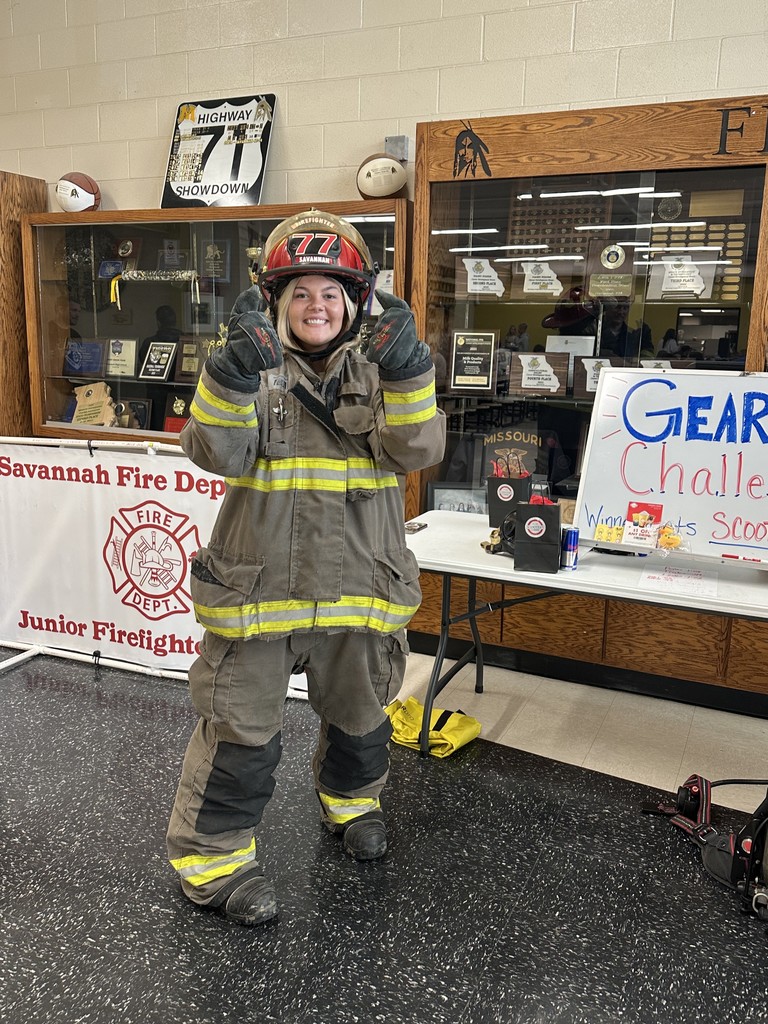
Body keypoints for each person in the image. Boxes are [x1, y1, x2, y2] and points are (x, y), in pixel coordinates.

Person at [166, 210, 446, 926]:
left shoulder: (389, 362)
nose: (315, 306)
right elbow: (213, 453)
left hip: (361, 591)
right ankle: (215, 863)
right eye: (300, 292)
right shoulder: (245, 360)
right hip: (260, 595)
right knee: (241, 733)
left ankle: (351, 808)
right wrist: (228, 378)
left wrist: (411, 369)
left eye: (330, 292)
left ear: (354, 300)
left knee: (361, 720)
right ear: (275, 299)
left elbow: (415, 450)